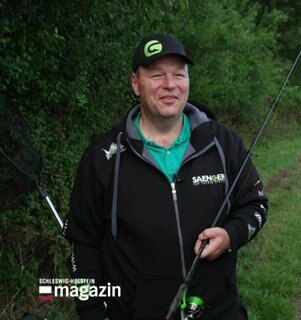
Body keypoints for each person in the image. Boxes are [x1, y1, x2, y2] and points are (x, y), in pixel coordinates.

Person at [63, 33, 268, 319]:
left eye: (178, 74)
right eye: (157, 75)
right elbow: (82, 246)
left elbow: (256, 205)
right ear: (136, 83)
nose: (170, 85)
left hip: (219, 311)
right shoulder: (102, 157)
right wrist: (92, 312)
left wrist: (230, 234)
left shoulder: (223, 143)